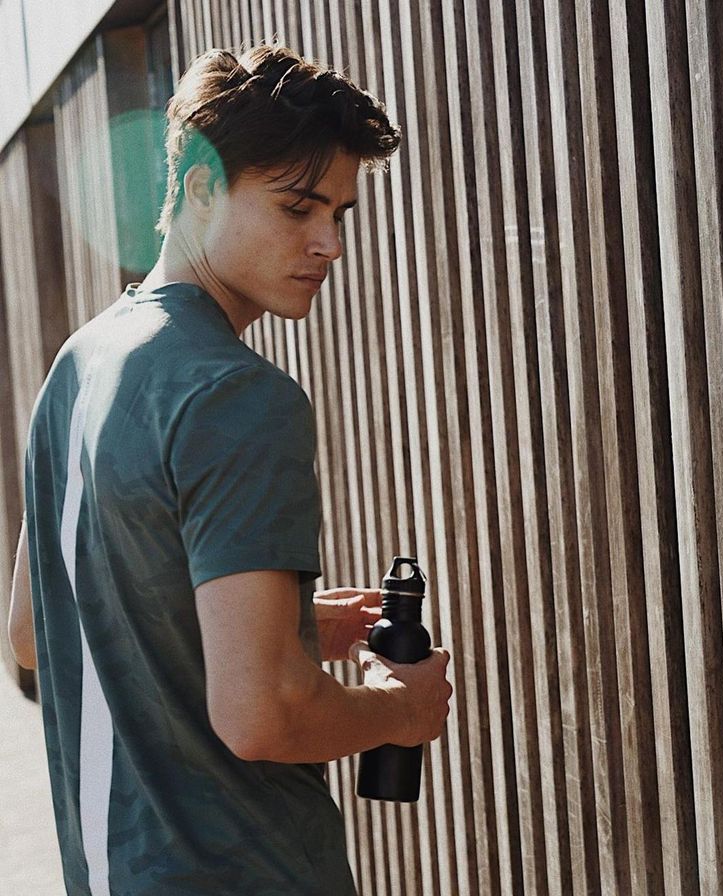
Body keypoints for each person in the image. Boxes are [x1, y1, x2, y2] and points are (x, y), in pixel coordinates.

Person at [7, 43, 452, 895]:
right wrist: (405, 708)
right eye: (297, 208)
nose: (328, 242)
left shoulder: (83, 360)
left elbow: (34, 631)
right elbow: (263, 715)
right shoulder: (238, 396)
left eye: (341, 213)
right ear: (203, 186)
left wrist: (268, 624)